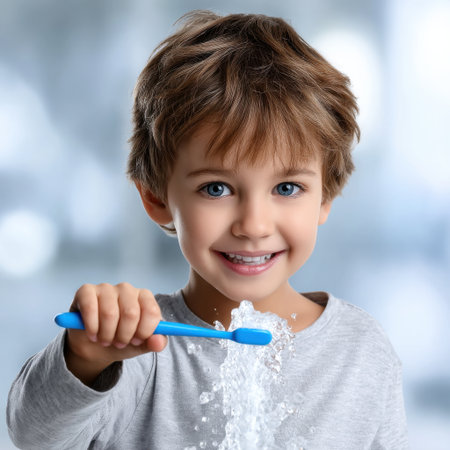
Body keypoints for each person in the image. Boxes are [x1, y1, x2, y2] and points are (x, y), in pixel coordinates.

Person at [7, 10, 408, 449]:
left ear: (325, 196)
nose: (254, 225)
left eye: (287, 187)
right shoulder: (135, 351)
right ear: (157, 198)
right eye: (216, 188)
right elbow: (33, 436)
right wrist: (83, 358)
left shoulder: (361, 353)